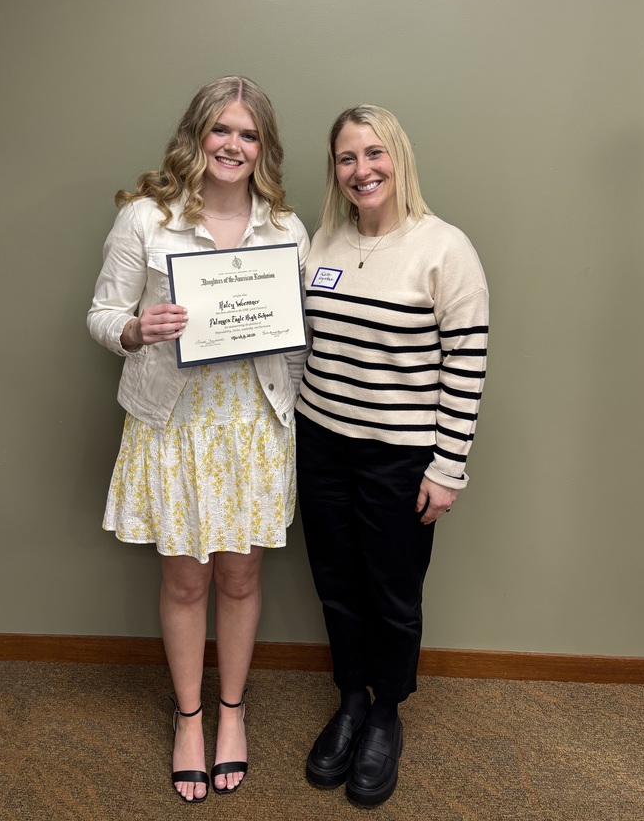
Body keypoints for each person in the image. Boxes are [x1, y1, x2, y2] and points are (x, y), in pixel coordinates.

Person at [87, 76, 309, 803]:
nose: (233, 146)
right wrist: (134, 329)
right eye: (221, 129)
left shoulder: (286, 228)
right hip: (175, 424)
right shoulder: (146, 218)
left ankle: (232, 714)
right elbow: (101, 313)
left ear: (263, 148)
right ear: (196, 135)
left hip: (254, 425)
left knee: (241, 578)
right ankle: (189, 720)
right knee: (186, 582)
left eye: (248, 134)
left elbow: (299, 339)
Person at [295, 105, 488, 808]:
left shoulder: (444, 249)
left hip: (400, 458)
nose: (362, 170)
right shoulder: (321, 242)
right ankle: (351, 698)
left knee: (393, 594)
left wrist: (447, 466)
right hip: (319, 441)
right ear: (335, 170)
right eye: (347, 158)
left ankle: (385, 713)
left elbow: (466, 362)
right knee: (336, 582)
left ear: (398, 157)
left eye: (374, 153)